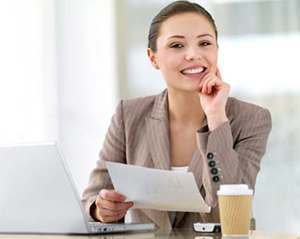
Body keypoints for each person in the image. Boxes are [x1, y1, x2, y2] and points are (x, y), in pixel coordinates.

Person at [81, 0, 272, 232]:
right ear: (153, 58)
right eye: (177, 45)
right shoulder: (128, 115)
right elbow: (90, 199)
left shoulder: (251, 119)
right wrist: (101, 209)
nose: (193, 54)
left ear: (217, 51)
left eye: (204, 43)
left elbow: (230, 211)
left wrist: (216, 119)